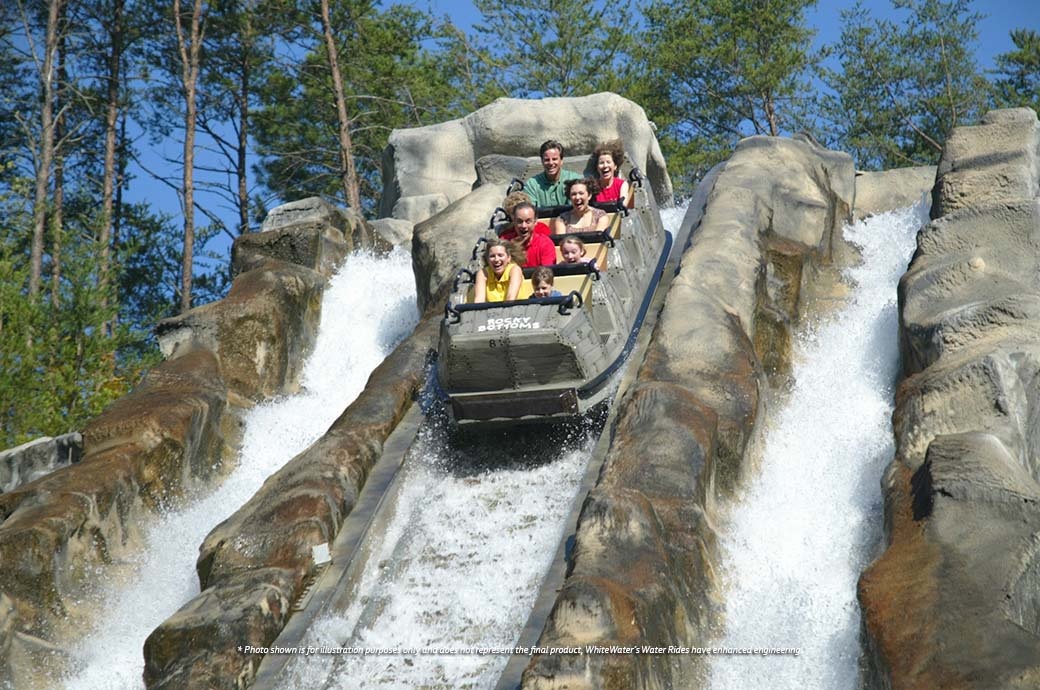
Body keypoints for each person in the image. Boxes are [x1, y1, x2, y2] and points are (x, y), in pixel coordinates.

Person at [523, 140, 582, 207]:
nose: (551, 163)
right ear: (542, 161)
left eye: (554, 159)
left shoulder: (575, 180)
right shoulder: (532, 185)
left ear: (561, 161)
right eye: (547, 160)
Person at [500, 201, 556, 267]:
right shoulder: (504, 242)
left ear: (535, 222)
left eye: (528, 221)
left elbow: (546, 272)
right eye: (519, 221)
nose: (524, 226)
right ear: (514, 221)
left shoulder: (545, 244)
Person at [473, 238, 524, 302]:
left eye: (500, 255)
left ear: (508, 258)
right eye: (492, 256)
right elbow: (479, 300)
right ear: (487, 260)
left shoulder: (515, 270)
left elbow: (511, 299)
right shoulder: (483, 273)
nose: (496, 259)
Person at [593, 141, 632, 208]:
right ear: (597, 167)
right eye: (601, 163)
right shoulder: (593, 186)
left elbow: (623, 205)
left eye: (608, 162)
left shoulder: (622, 185)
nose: (605, 165)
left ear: (615, 166)